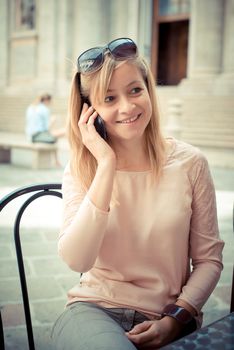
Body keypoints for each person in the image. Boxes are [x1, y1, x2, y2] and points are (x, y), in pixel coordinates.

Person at [51, 38, 224, 349]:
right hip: (95, 310)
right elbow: (77, 258)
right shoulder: (82, 169)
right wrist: (106, 165)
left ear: (148, 91)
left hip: (171, 314)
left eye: (135, 90)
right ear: (90, 111)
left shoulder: (190, 163)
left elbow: (208, 260)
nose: (127, 107)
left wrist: (176, 318)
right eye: (109, 98)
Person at [25, 93, 65, 166]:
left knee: (55, 136)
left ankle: (56, 161)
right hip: (37, 136)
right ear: (46, 100)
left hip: (30, 135)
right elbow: (47, 128)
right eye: (50, 101)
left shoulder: (31, 107)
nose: (51, 103)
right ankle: (57, 161)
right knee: (62, 133)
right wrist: (53, 121)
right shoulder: (44, 109)